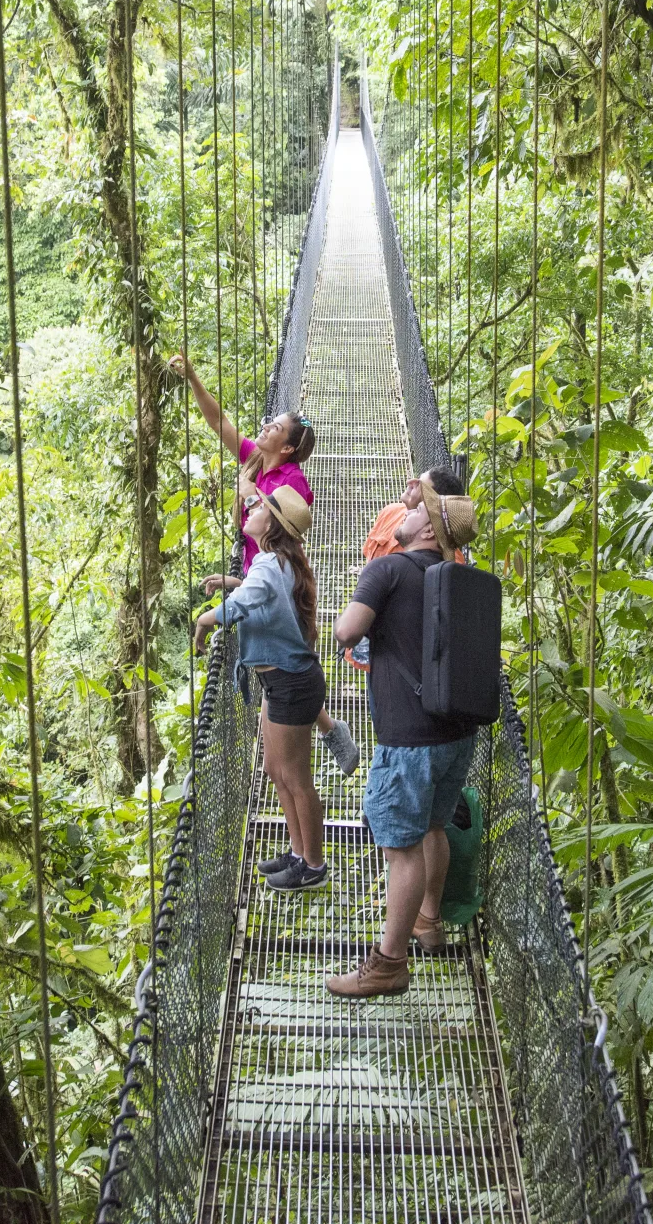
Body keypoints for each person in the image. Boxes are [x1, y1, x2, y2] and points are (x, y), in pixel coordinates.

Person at [323, 477, 482, 997]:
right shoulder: (460, 579)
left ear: (429, 530)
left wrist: (369, 597)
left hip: (408, 740)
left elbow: (346, 632)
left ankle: (389, 964)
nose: (405, 514)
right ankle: (428, 921)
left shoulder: (387, 568)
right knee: (433, 826)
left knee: (401, 849)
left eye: (418, 512)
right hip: (457, 734)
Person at [168, 354, 360, 775]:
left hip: (283, 588)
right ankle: (328, 729)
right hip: (259, 579)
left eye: (275, 426)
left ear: (288, 447)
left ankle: (325, 735)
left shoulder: (293, 483)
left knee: (286, 669)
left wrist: (250, 491)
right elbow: (219, 422)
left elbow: (285, 536)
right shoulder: (255, 460)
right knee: (272, 673)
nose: (266, 425)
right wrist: (194, 378)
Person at [193, 486, 331, 891]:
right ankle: (297, 852)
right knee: (275, 769)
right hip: (282, 681)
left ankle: (314, 866)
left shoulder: (269, 563)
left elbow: (248, 600)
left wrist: (206, 620)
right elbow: (262, 589)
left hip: (291, 683)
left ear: (271, 524)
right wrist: (233, 581)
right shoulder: (277, 561)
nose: (250, 509)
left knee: (296, 776)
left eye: (259, 507)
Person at [347, 466, 468, 673]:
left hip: (408, 661)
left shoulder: (451, 564)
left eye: (420, 484)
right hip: (371, 645)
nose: (411, 482)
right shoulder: (390, 513)